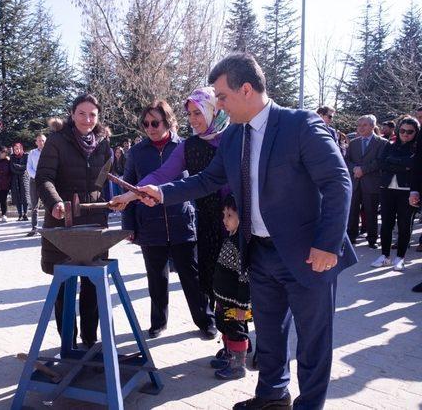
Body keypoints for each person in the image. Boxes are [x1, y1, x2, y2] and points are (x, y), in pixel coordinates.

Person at [135, 53, 357, 410]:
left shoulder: (300, 125)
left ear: (247, 89)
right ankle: (272, 396)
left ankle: (310, 405)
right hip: (260, 252)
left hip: (309, 255)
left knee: (313, 341)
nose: (218, 105)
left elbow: (337, 182)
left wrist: (327, 244)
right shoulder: (235, 135)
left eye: (222, 97)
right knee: (268, 334)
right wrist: (160, 193)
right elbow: (208, 180)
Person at [112, 86, 230, 339]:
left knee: (236, 287)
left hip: (229, 225)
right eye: (190, 114)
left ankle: (247, 344)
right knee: (214, 283)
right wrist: (128, 196)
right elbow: (159, 177)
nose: (194, 120)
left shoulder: (236, 138)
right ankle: (233, 347)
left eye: (198, 113)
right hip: (205, 225)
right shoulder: (188, 147)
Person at [35, 93, 112, 348]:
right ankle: (67, 343)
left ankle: (90, 341)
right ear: (72, 114)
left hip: (94, 223)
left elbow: (106, 179)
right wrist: (55, 202)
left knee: (92, 286)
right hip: (62, 224)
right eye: (82, 113)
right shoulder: (57, 141)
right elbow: (44, 178)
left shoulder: (103, 142)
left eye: (92, 114)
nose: (87, 119)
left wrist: (115, 203)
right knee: (64, 286)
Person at [210, 194, 251, 381]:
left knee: (235, 329)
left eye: (230, 216)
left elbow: (245, 278)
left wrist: (243, 305)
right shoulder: (231, 237)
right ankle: (229, 355)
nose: (224, 220)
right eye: (224, 214)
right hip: (223, 298)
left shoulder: (242, 244)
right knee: (224, 325)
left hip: (235, 302)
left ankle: (238, 366)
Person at [370, 116, 419, 271]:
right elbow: (381, 163)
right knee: (386, 224)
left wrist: (394, 162)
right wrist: (403, 165)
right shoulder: (389, 145)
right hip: (387, 189)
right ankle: (385, 256)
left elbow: (413, 164)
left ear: (416, 133)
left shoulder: (417, 148)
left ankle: (400, 257)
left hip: (407, 191)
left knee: (405, 225)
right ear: (398, 130)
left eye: (410, 132)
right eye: (403, 130)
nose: (406, 134)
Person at [345, 115, 388, 248]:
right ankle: (351, 237)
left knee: (371, 212)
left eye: (364, 125)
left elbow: (380, 161)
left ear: (372, 126)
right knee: (352, 211)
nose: (360, 128)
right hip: (355, 182)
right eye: (359, 125)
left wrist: (363, 169)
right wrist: (355, 169)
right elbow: (347, 160)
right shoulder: (353, 143)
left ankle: (372, 239)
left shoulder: (382, 143)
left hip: (371, 183)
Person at [26, 133, 47, 236]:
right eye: (39, 140)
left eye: (43, 140)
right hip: (34, 181)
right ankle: (34, 228)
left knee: (48, 204)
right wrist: (36, 176)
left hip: (46, 181)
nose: (41, 142)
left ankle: (48, 226)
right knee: (34, 206)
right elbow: (29, 167)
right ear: (36, 142)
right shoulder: (32, 153)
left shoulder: (49, 152)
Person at [10, 142, 30, 221]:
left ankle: (25, 214)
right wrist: (19, 168)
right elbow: (12, 168)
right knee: (17, 197)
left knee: (25, 197)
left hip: (24, 178)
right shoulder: (12, 157)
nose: (16, 150)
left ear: (21, 148)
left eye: (17, 149)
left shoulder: (26, 156)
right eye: (15, 149)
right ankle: (20, 214)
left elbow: (26, 167)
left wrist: (17, 167)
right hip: (15, 179)